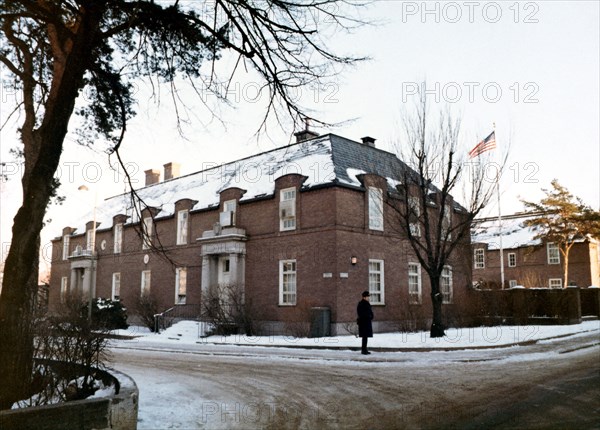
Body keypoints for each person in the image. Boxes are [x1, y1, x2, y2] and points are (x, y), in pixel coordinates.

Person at [356, 290, 373, 355]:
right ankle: (363, 350)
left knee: (365, 336)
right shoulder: (362, 304)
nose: (369, 298)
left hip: (366, 322)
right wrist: (368, 316)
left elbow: (370, 311)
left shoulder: (366, 303)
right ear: (364, 297)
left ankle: (364, 349)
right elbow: (361, 313)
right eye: (368, 296)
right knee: (364, 336)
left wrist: (371, 316)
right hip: (364, 323)